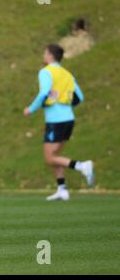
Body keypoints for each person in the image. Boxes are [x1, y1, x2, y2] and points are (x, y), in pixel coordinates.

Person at [24, 44, 95, 201]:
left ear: (50, 56)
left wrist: (31, 108)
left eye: (45, 53)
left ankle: (82, 166)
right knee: (55, 155)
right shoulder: (67, 74)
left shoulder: (46, 71)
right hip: (68, 119)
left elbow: (43, 93)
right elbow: (79, 97)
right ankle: (62, 189)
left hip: (55, 121)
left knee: (49, 158)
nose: (44, 56)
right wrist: (64, 104)